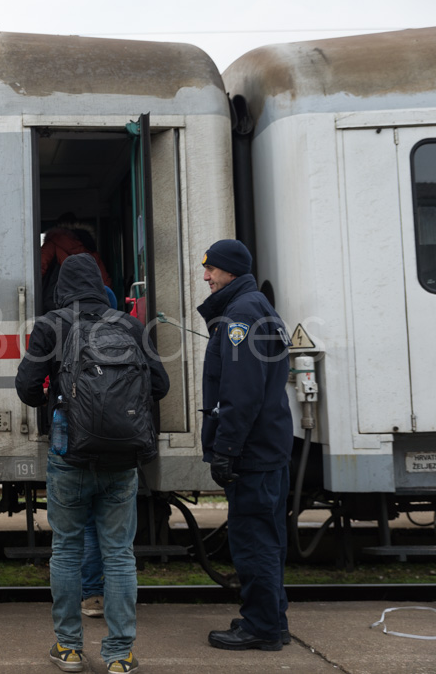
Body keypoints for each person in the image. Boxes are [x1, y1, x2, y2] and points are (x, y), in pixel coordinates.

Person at [15, 253, 169, 674]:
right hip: (122, 459)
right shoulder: (130, 325)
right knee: (119, 554)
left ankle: (68, 649)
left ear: (62, 287)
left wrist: (54, 399)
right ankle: (120, 655)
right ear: (98, 283)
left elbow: (26, 387)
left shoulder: (50, 325)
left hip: (70, 455)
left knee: (66, 549)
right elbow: (160, 384)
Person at [197, 239, 294, 652]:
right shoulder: (260, 308)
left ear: (230, 272)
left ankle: (261, 628)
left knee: (253, 538)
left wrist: (226, 449)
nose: (206, 277)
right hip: (269, 446)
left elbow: (241, 393)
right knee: (268, 538)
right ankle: (272, 617)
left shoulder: (240, 315)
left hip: (252, 451)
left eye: (212, 271)